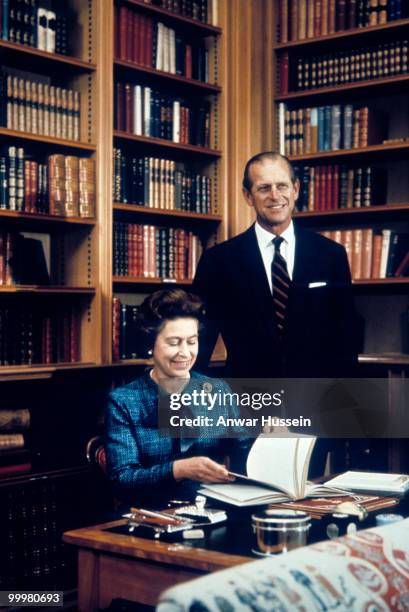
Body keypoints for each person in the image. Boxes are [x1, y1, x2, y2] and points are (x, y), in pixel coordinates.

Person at [193, 151, 358, 378]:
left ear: (296, 189)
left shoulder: (331, 255)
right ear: (248, 196)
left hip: (316, 398)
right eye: (264, 188)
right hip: (247, 399)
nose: (274, 195)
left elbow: (346, 339)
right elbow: (199, 341)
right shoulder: (218, 261)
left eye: (282, 186)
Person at [105, 289, 250, 506]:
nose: (185, 353)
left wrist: (269, 440)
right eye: (174, 343)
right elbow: (122, 479)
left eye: (192, 342)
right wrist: (179, 470)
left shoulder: (217, 391)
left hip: (214, 511)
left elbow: (244, 452)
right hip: (153, 517)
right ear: (150, 344)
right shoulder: (124, 401)